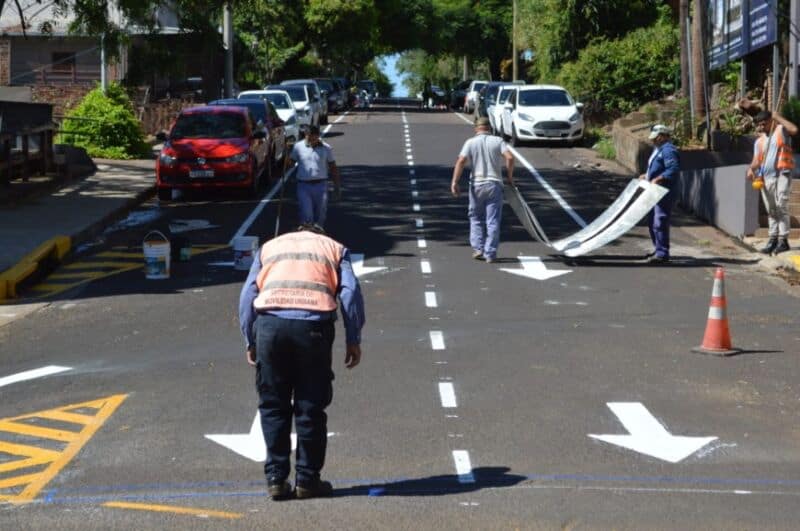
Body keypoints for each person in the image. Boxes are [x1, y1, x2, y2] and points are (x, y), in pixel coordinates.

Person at [238, 223, 365, 500]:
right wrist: (353, 338)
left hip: (270, 327)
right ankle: (307, 480)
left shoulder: (269, 248)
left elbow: (248, 294)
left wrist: (250, 339)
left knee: (273, 405)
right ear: (320, 233)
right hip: (313, 330)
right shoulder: (335, 248)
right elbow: (350, 293)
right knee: (310, 406)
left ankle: (276, 478)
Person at [450, 116, 515, 263]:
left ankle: (478, 248)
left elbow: (461, 160)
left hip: (477, 184)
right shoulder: (498, 141)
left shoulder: (470, 142)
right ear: (489, 128)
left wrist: (455, 181)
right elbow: (510, 158)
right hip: (494, 184)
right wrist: (510, 177)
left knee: (476, 217)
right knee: (492, 220)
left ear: (476, 128)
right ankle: (490, 253)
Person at [745, 109, 798, 254]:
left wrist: (778, 116)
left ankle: (783, 239)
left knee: (781, 205)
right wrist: (751, 169)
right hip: (766, 178)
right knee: (771, 210)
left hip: (782, 174)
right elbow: (756, 160)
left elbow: (794, 129)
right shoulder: (759, 141)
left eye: (764, 124)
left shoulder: (780, 131)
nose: (761, 127)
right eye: (759, 125)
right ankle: (773, 238)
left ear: (771, 121)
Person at [639, 124, 680, 263]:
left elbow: (672, 169)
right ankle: (657, 249)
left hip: (663, 192)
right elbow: (655, 168)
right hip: (654, 190)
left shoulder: (668, 150)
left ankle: (662, 253)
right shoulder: (658, 149)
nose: (653, 141)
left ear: (662, 136)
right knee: (651, 221)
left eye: (655, 138)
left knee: (660, 221)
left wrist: (660, 178)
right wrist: (647, 175)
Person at [285, 125, 340, 227]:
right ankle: (306, 231)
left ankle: (319, 231)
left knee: (321, 213)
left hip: (321, 185)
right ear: (306, 135)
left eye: (314, 137)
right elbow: (291, 164)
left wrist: (337, 186)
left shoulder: (326, 148)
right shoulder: (298, 147)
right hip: (303, 185)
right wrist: (287, 153)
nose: (312, 139)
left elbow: (333, 167)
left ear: (318, 136)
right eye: (309, 137)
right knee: (306, 213)